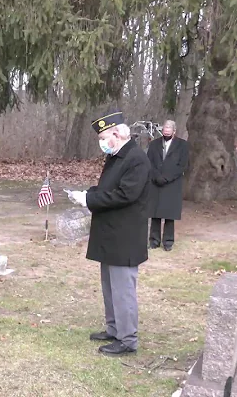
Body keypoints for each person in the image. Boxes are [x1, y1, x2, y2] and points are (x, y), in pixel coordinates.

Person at [67, 110, 151, 356]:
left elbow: (126, 195)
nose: (101, 142)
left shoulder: (136, 159)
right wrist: (87, 194)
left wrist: (89, 200)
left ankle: (127, 339)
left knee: (123, 289)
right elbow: (108, 188)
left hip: (125, 236)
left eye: (104, 137)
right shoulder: (116, 156)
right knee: (109, 286)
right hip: (110, 233)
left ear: (117, 133)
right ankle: (114, 329)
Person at [146, 120, 188, 251]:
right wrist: (157, 176)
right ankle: (154, 241)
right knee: (155, 213)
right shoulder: (154, 145)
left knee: (170, 215)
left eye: (169, 132)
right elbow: (149, 163)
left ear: (174, 132)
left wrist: (167, 177)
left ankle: (168, 242)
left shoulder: (182, 145)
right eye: (164, 131)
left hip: (172, 184)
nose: (166, 134)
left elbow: (182, 165)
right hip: (156, 182)